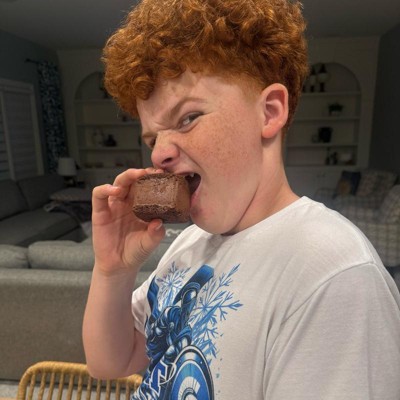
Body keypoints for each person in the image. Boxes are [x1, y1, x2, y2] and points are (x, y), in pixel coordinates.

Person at [82, 0, 400, 398]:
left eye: (187, 118)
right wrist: (112, 270)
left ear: (269, 112)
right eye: (152, 138)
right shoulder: (190, 242)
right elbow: (111, 361)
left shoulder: (334, 276)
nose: (158, 154)